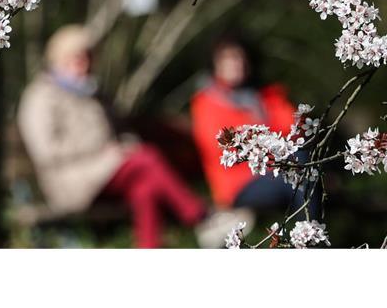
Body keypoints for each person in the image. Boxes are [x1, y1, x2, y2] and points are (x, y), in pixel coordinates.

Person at [17, 24, 243, 248]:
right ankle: (201, 218)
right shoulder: (41, 97)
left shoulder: (94, 94)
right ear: (60, 58)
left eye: (88, 57)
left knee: (145, 186)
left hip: (105, 172)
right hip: (70, 181)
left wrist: (123, 147)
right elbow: (46, 150)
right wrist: (104, 150)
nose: (85, 64)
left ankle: (150, 248)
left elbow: (121, 131)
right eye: (77, 58)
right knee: (147, 159)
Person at [190, 32, 320, 219]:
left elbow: (294, 131)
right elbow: (218, 147)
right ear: (215, 64)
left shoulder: (266, 96)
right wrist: (267, 144)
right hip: (239, 185)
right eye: (228, 58)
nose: (237, 63)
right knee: (302, 172)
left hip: (282, 168)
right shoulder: (206, 102)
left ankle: (311, 233)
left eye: (240, 57)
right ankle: (310, 233)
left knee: (305, 166)